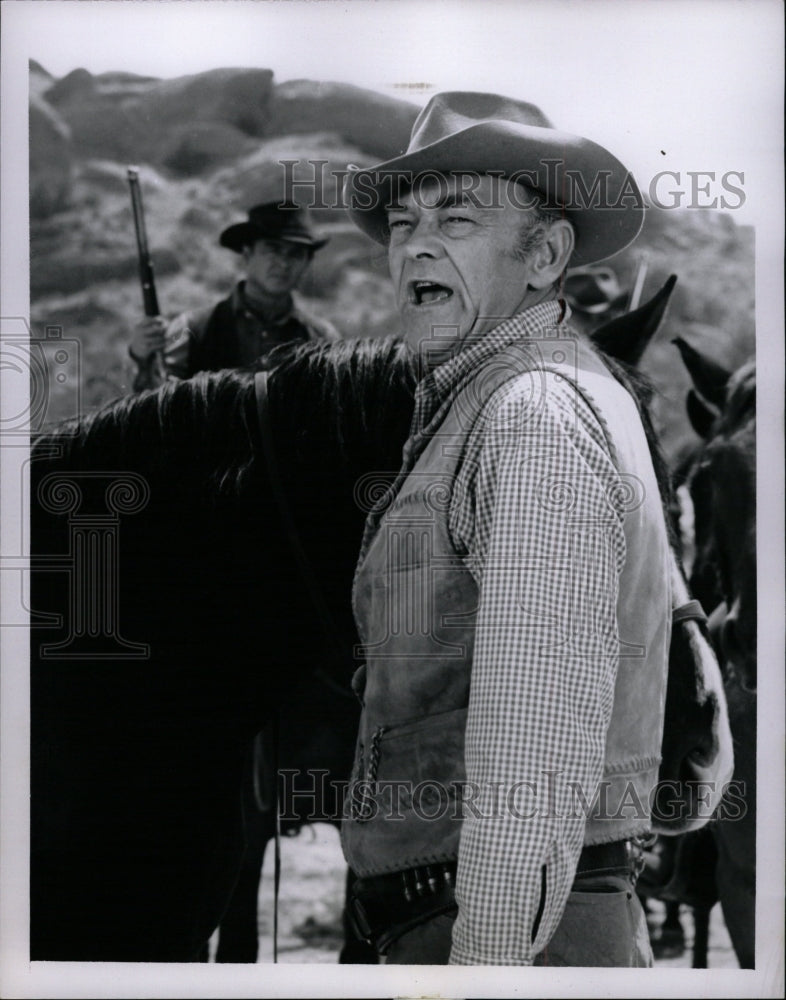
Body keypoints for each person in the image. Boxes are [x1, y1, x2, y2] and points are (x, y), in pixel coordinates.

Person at [339, 91, 672, 966]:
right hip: (512, 923)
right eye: (404, 222)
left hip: (499, 936)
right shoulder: (534, 389)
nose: (416, 241)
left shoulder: (529, 411)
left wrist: (482, 971)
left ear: (545, 255)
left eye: (457, 217)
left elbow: (532, 746)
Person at [128, 202, 339, 390]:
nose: (283, 263)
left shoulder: (322, 338)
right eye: (272, 249)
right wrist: (142, 356)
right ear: (247, 255)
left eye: (295, 254)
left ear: (307, 263)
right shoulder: (190, 329)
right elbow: (153, 399)